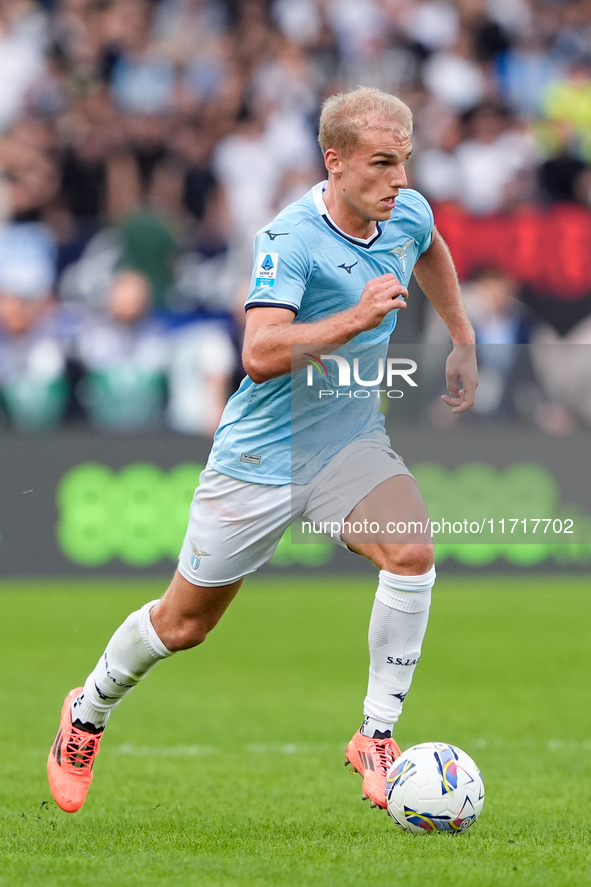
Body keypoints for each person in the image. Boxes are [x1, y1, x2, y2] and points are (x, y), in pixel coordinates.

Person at [47, 87, 477, 814]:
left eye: (404, 162)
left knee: (411, 552)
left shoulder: (405, 209)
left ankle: (375, 733)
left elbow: (427, 247)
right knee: (184, 624)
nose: (399, 179)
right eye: (381, 164)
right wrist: (354, 318)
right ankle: (86, 712)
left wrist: (461, 336)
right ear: (333, 162)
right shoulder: (290, 240)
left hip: (347, 442)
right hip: (259, 457)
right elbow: (257, 352)